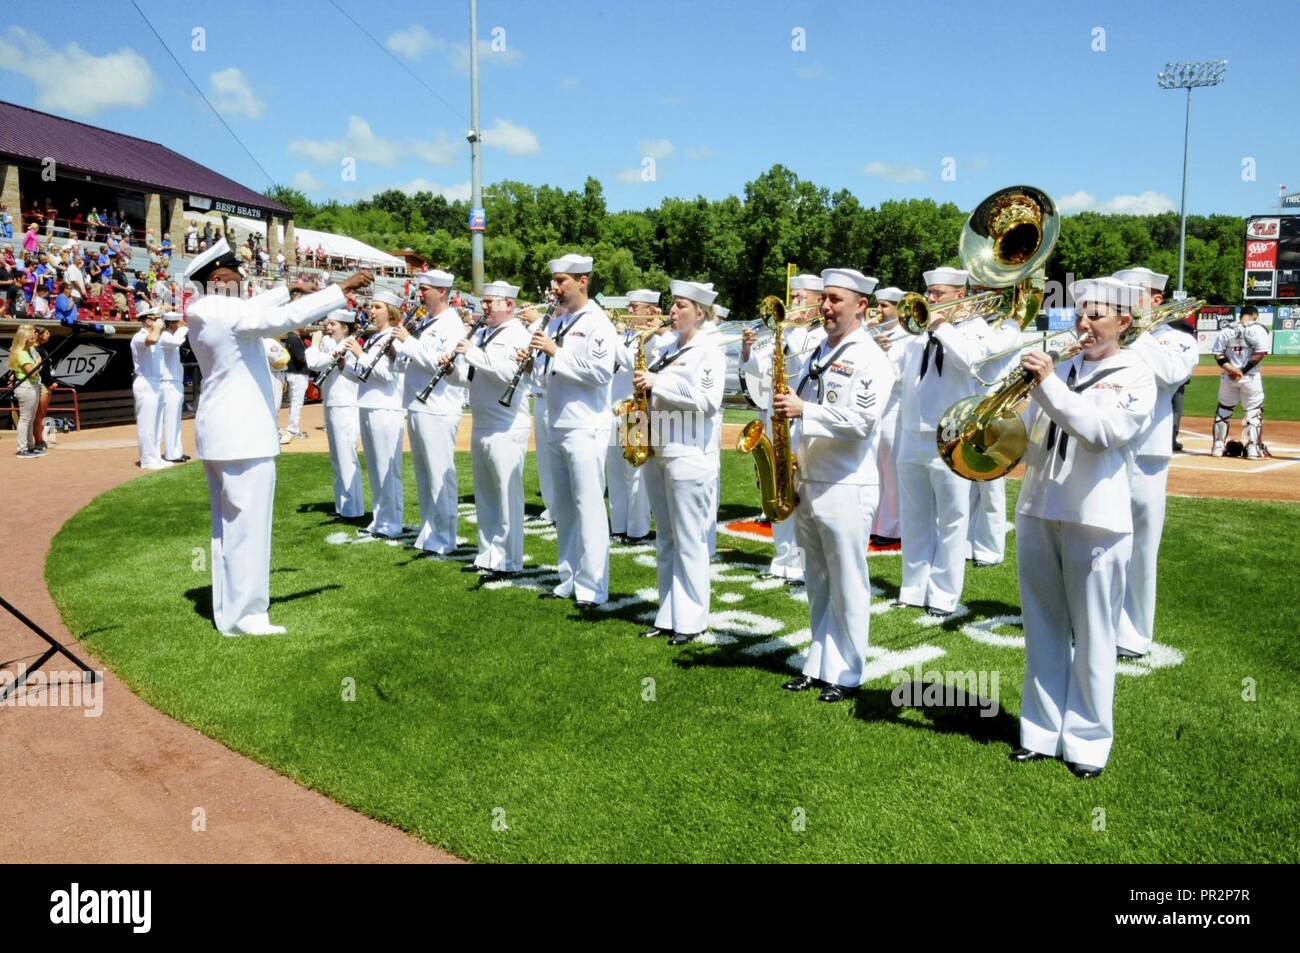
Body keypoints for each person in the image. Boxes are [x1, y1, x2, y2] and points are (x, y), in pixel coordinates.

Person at [184, 238, 367, 636]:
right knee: (247, 528)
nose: (243, 273)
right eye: (235, 269)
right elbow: (280, 320)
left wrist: (290, 288)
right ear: (218, 277)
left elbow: (258, 308)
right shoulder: (223, 312)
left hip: (224, 434)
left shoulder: (206, 310)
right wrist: (340, 289)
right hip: (242, 435)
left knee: (229, 528)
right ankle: (247, 616)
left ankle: (231, 612)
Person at [1010, 277, 1155, 779]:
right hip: (1038, 506)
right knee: (1043, 628)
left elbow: (1100, 433)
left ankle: (1089, 743)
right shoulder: (1062, 367)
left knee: (1094, 636)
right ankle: (1040, 732)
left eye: (1097, 315)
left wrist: (1047, 384)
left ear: (1124, 321)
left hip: (1097, 518)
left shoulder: (1137, 374)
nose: (1085, 323)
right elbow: (1028, 437)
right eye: (1080, 313)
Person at [774, 268, 894, 702]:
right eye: (823, 298)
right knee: (818, 581)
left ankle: (846, 672)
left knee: (847, 583)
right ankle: (818, 663)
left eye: (835, 299)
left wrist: (805, 410)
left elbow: (862, 424)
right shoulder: (818, 352)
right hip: (810, 478)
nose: (825, 307)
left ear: (861, 305)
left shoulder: (870, 358)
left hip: (846, 484)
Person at [1110, 267, 1196, 659]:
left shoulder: (1176, 340)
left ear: (1156, 300)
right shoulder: (1109, 335)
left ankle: (1133, 632)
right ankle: (1096, 620)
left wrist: (1136, 332)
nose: (1122, 301)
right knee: (1100, 542)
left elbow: (1171, 374)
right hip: (1105, 448)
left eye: (1132, 294)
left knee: (1141, 548)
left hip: (1147, 454)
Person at [634, 280, 726, 644]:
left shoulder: (709, 350)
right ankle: (668, 613)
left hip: (690, 453)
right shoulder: (668, 347)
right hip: (660, 448)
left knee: (690, 540)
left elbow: (707, 400)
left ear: (699, 313)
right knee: (667, 539)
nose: (672, 311)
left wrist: (659, 382)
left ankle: (691, 619)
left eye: (681, 306)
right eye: (673, 305)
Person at [895, 267, 990, 617]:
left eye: (938, 294)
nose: (930, 300)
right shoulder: (914, 332)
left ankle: (944, 594)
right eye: (929, 293)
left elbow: (971, 362)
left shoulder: (976, 330)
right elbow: (894, 374)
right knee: (914, 515)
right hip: (911, 432)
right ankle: (913, 586)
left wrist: (940, 325)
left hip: (951, 433)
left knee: (952, 519)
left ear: (960, 295)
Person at [530, 253, 615, 608]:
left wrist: (556, 352)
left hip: (585, 425)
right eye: (554, 281)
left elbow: (601, 373)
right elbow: (544, 373)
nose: (555, 288)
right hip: (556, 421)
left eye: (562, 281)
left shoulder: (598, 322)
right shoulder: (556, 322)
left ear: (583, 281)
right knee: (563, 508)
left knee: (589, 508)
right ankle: (569, 575)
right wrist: (533, 362)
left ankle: (594, 586)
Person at [739, 274, 826, 583]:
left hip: (802, 418)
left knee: (798, 491)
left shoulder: (818, 336)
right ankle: (781, 559)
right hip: (774, 416)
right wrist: (748, 349)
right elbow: (757, 370)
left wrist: (788, 327)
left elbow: (804, 360)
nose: (793, 304)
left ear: (818, 302)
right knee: (775, 488)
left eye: (801, 298)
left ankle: (800, 562)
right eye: (794, 297)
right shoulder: (785, 332)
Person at [449, 279, 533, 576]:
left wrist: (472, 352)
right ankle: (488, 553)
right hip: (483, 420)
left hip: (506, 424)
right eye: (483, 301)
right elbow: (470, 377)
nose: (483, 306)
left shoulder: (517, 334)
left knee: (506, 495)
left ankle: (510, 559)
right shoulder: (483, 333)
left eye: (490, 302)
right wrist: (451, 371)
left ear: (509, 305)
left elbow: (509, 372)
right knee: (485, 494)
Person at [391, 270, 466, 556]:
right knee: (424, 474)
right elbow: (415, 359)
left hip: (438, 407)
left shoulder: (451, 323)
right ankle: (429, 530)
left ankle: (445, 537)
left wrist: (409, 342)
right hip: (418, 404)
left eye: (426, 289)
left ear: (442, 292)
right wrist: (399, 351)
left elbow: (441, 362)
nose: (420, 293)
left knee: (439, 475)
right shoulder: (427, 320)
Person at [347, 291, 407, 539]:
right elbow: (365, 375)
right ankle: (380, 519)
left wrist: (359, 354)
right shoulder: (375, 339)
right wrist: (345, 364)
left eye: (377, 307)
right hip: (369, 404)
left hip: (386, 407)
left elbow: (386, 374)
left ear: (390, 311)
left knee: (387, 468)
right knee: (374, 467)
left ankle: (392, 522)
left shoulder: (394, 338)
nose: (371, 311)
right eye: (371, 307)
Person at [607, 288, 662, 544]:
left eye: (634, 307)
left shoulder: (655, 339)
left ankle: (637, 529)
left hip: (636, 410)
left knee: (636, 473)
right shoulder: (626, 335)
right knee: (616, 472)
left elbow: (630, 362)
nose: (629, 312)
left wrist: (610, 334)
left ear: (651, 311)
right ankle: (618, 524)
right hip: (616, 408)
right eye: (629, 307)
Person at [306, 309, 365, 518]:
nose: (327, 328)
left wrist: (313, 345)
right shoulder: (333, 344)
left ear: (345, 327)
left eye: (332, 324)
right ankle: (344, 506)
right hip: (333, 403)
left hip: (345, 405)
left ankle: (353, 508)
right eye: (327, 323)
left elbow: (314, 363)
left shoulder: (348, 343)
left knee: (346, 457)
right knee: (337, 459)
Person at [868, 286, 907, 545]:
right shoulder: (876, 333)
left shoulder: (905, 335)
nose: (878, 311)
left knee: (891, 471)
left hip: (895, 408)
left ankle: (893, 528)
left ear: (897, 308)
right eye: (878, 305)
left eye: (884, 306)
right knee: (876, 469)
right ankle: (876, 522)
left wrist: (882, 353)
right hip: (876, 408)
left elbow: (898, 376)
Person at [1211, 304, 1271, 458]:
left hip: (1228, 378)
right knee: (1254, 412)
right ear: (1255, 315)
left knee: (1224, 410)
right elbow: (1259, 354)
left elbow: (1218, 355)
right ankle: (1252, 448)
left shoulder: (1226, 330)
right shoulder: (1258, 329)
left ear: (1240, 315)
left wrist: (1232, 370)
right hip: (1250, 377)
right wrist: (1241, 372)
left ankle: (1218, 447)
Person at [130, 305, 168, 469]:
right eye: (155, 319)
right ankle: (147, 459)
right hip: (145, 382)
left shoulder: (156, 335)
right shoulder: (140, 336)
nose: (159, 321)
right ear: (147, 321)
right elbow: (151, 340)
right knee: (147, 423)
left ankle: (156, 456)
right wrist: (158, 327)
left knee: (157, 423)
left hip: (156, 382)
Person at [158, 310, 191, 463]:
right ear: (171, 323)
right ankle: (171, 453)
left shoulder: (171, 335)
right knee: (171, 419)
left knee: (176, 419)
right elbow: (176, 342)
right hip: (168, 382)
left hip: (175, 381)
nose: (180, 325)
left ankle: (177, 451)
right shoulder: (165, 336)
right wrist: (185, 328)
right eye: (177, 322)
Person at [7, 325, 44, 458]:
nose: (34, 337)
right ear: (24, 337)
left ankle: (30, 446)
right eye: (31, 335)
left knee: (31, 418)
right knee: (25, 418)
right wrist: (38, 363)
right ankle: (22, 448)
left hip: (33, 386)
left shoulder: (29, 351)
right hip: (26, 386)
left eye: (34, 334)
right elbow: (31, 373)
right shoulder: (22, 353)